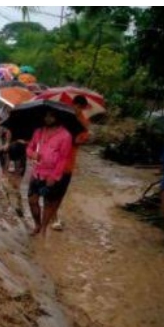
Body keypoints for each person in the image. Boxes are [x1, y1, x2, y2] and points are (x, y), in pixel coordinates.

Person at [26, 110, 74, 237]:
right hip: (36, 172)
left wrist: (54, 176)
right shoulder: (39, 132)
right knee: (32, 200)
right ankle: (37, 224)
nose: (48, 118)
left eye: (51, 116)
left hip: (51, 175)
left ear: (57, 118)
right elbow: (30, 147)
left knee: (48, 203)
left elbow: (64, 158)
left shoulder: (65, 136)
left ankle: (43, 228)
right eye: (46, 115)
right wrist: (32, 154)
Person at [51, 95, 91, 230]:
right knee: (52, 189)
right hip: (54, 160)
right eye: (77, 107)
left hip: (68, 162)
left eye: (81, 108)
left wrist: (78, 138)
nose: (78, 110)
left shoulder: (84, 123)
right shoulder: (62, 117)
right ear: (73, 104)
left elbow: (82, 139)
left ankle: (54, 215)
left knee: (61, 191)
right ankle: (52, 215)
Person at [0, 107, 28, 217]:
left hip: (17, 155)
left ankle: (15, 206)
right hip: (13, 155)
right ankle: (13, 206)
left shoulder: (23, 126)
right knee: (9, 184)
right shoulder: (11, 124)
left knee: (11, 184)